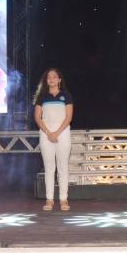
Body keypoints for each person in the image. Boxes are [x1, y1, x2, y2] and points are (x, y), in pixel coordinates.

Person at [34, 68, 74, 211]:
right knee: (49, 168)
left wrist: (57, 132)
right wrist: (48, 133)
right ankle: (49, 200)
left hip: (63, 133)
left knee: (63, 167)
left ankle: (63, 199)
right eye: (48, 77)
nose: (51, 79)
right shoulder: (42, 97)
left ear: (59, 80)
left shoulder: (66, 96)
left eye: (54, 77)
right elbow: (37, 117)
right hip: (46, 134)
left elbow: (69, 117)